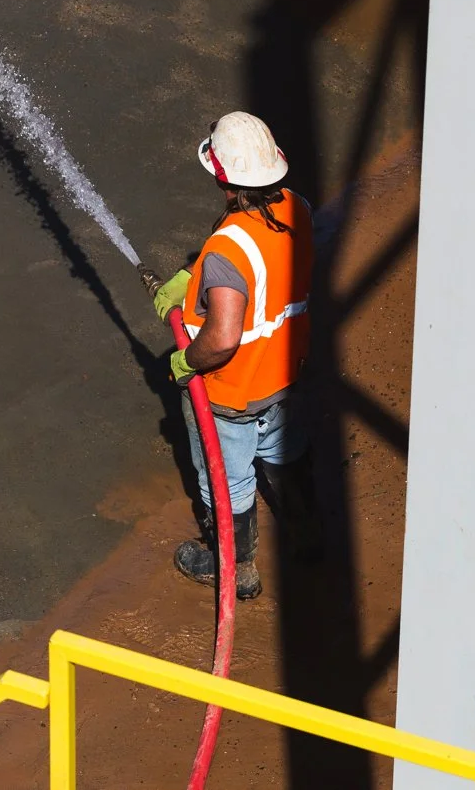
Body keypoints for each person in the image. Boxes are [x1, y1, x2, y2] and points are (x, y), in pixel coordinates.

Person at [151, 111, 322, 600]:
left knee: (226, 478)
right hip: (285, 372)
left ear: (222, 177)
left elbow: (223, 337)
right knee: (285, 454)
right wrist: (194, 279)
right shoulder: (297, 207)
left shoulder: (228, 248)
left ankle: (236, 569)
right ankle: (309, 540)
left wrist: (187, 363)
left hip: (233, 389)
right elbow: (271, 270)